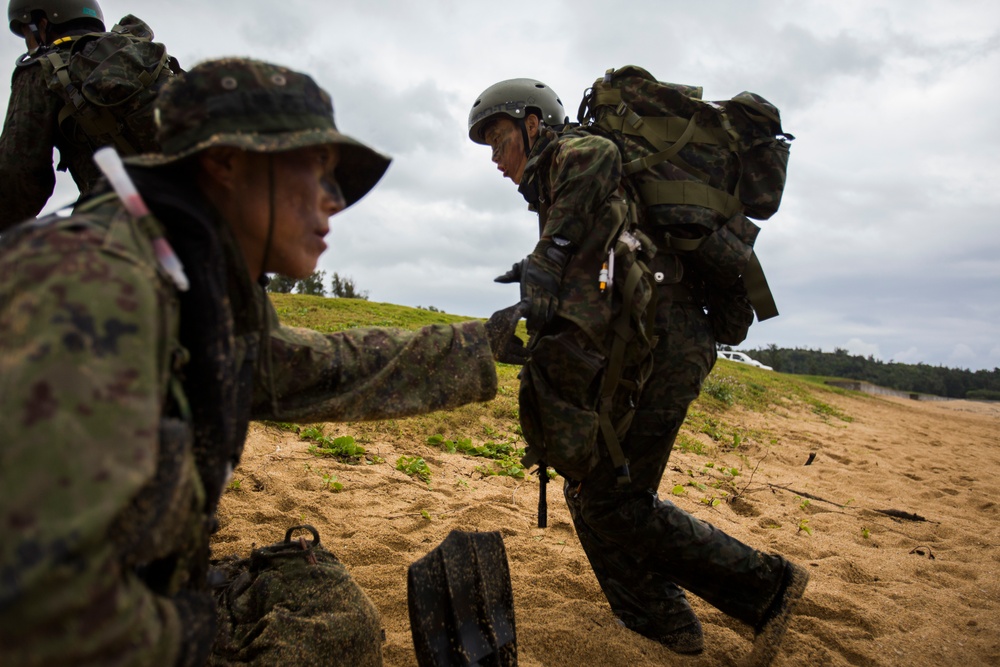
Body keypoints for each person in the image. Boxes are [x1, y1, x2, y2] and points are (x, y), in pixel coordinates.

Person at [0, 57, 505, 666]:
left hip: (146, 592)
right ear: (226, 163)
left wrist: (492, 342)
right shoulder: (92, 288)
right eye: (317, 171)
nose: (334, 204)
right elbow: (31, 602)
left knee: (325, 607)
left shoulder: (195, 285)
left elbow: (323, 367)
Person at [469, 77, 809, 666]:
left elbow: (597, 157)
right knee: (592, 489)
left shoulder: (574, 152)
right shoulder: (562, 192)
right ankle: (659, 618)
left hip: (673, 342)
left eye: (499, 142)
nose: (496, 162)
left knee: (616, 502)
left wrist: (548, 257)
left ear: (532, 124)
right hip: (647, 342)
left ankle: (766, 586)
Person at [1, 0, 179, 230]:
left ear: (42, 24)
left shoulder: (43, 70)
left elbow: (17, 177)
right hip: (201, 210)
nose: (29, 44)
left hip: (119, 227)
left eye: (28, 34)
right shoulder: (140, 55)